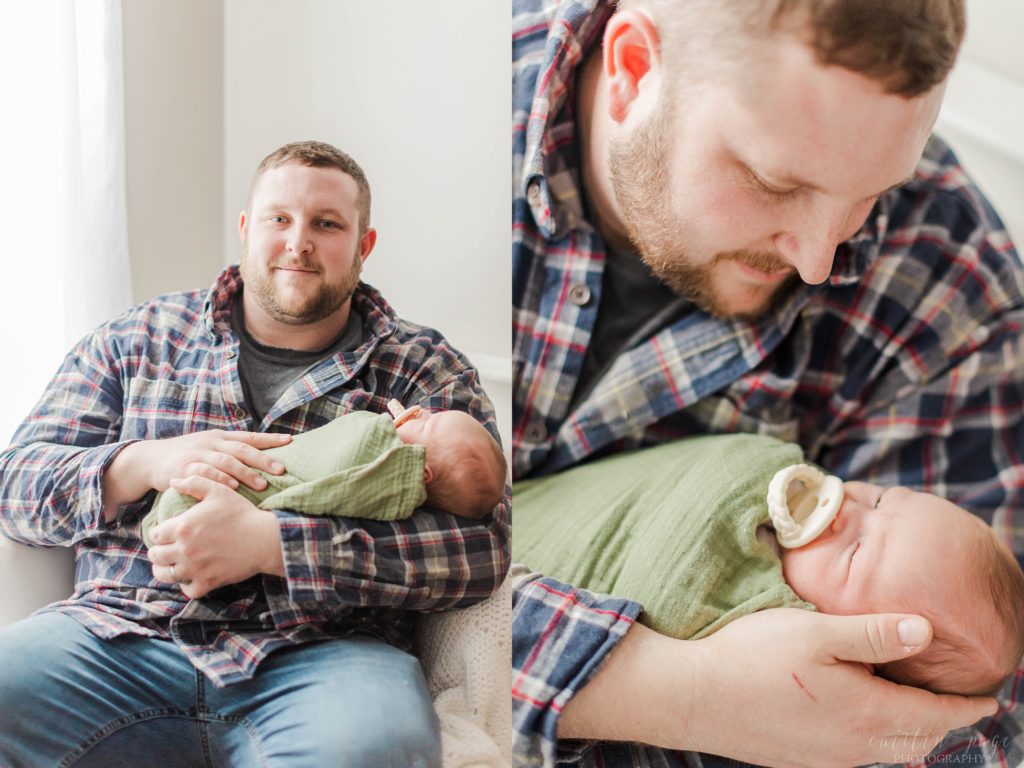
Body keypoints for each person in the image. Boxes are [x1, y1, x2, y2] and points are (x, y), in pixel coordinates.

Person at [511, 0, 1024, 766]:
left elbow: (969, 718)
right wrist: (660, 689)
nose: (821, 261)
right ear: (631, 72)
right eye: (772, 182)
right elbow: (331, 542)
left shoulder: (945, 286)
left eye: (868, 196)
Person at [0, 140, 510, 767]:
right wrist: (143, 462)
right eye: (279, 219)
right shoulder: (136, 340)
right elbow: (14, 486)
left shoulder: (422, 369)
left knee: (379, 750)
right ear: (246, 230)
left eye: (327, 224)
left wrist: (273, 546)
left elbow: (483, 547)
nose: (299, 242)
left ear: (363, 246)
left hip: (327, 657)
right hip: (119, 640)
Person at [513, 434, 1024, 697]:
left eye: (854, 555)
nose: (846, 507)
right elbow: (711, 470)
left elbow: (661, 610)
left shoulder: (764, 633)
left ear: (854, 655)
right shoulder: (786, 479)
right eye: (883, 499)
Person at [141, 404, 508, 547]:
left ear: (420, 472)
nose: (419, 413)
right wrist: (139, 461)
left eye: (429, 424)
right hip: (126, 615)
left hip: (324, 645)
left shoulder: (381, 460)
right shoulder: (124, 340)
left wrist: (267, 541)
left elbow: (487, 546)